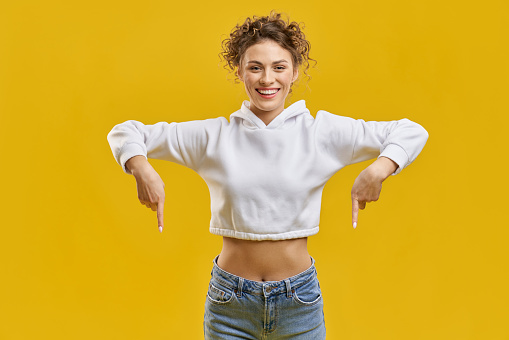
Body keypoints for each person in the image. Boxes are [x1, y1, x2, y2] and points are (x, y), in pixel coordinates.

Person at [107, 11, 428, 340]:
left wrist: (380, 167)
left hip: (299, 302)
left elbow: (410, 131)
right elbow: (125, 132)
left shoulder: (321, 133)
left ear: (295, 72)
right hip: (230, 302)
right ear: (240, 72)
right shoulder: (214, 137)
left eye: (279, 67)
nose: (267, 79)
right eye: (255, 67)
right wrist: (141, 167)